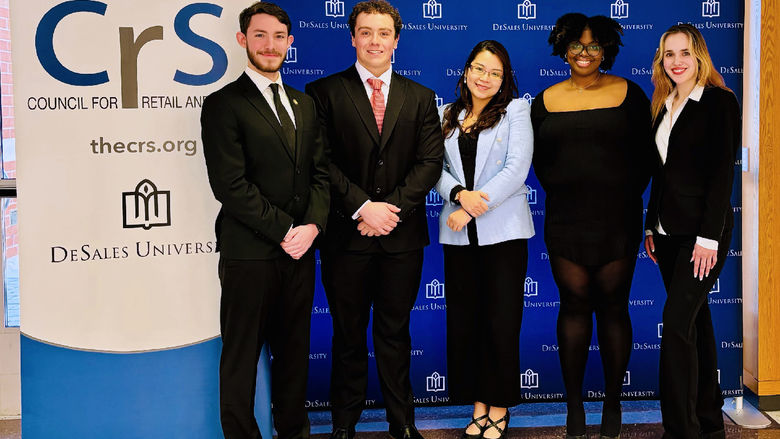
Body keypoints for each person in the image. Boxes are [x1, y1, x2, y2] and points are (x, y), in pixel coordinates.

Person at [305, 2, 444, 439]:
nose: (375, 41)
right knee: (347, 337)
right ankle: (343, 426)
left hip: (401, 238)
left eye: (384, 33)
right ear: (352, 37)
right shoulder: (323, 92)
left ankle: (402, 423)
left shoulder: (420, 97)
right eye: (366, 32)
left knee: (395, 334)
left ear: (397, 40)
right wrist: (364, 208)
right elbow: (320, 162)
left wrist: (389, 211)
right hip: (347, 237)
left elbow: (429, 162)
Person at [200, 2, 329, 438]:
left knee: (294, 355)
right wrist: (285, 230)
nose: (270, 45)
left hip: (300, 252)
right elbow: (230, 185)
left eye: (278, 37)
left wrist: (311, 227)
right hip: (249, 252)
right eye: (260, 35)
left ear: (290, 43)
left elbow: (320, 174)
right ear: (243, 40)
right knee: (240, 357)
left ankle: (294, 432)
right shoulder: (222, 104)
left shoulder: (305, 104)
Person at [531, 13, 654, 439]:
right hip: (566, 220)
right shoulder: (543, 100)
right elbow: (539, 164)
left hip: (617, 218)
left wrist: (619, 195)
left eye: (594, 46)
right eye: (576, 45)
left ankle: (613, 404)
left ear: (607, 50)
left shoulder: (630, 94)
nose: (584, 53)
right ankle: (574, 408)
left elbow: (647, 158)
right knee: (574, 307)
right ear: (563, 49)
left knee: (615, 308)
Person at [644, 24, 740, 439]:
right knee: (697, 324)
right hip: (666, 235)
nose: (677, 61)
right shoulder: (664, 103)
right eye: (669, 54)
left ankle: (680, 430)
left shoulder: (718, 102)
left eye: (685, 53)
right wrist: (651, 225)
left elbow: (721, 177)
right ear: (661, 61)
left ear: (699, 56)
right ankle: (709, 421)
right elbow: (661, 175)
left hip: (703, 236)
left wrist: (708, 238)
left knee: (677, 324)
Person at [435, 40, 534, 439]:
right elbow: (433, 168)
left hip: (504, 234)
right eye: (479, 69)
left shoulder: (515, 111)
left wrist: (473, 206)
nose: (485, 78)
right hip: (458, 236)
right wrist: (459, 195)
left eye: (495, 73)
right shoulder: (446, 113)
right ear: (466, 71)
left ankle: (499, 405)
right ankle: (477, 403)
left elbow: (517, 169)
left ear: (505, 78)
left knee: (501, 322)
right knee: (466, 322)